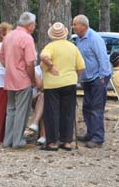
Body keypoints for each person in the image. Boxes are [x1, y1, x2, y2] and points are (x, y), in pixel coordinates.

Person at [40, 22, 85, 151]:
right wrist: (75, 77)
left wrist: (50, 65)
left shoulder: (50, 46)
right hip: (70, 82)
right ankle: (66, 141)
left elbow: (44, 57)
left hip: (52, 84)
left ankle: (52, 142)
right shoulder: (72, 47)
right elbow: (81, 66)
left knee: (52, 112)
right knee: (68, 112)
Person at [0, 12, 37, 149]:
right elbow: (30, 63)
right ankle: (18, 140)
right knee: (22, 110)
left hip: (9, 79)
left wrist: (10, 67)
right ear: (30, 25)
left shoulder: (8, 36)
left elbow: (1, 57)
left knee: (11, 109)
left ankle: (7, 140)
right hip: (23, 79)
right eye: (34, 25)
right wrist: (32, 80)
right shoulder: (27, 38)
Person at [72, 14, 112, 148]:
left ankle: (98, 138)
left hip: (97, 78)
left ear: (84, 26)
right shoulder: (78, 39)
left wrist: (102, 77)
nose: (73, 27)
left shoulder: (95, 38)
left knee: (96, 108)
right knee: (87, 107)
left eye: (75, 24)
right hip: (87, 78)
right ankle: (90, 133)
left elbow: (103, 58)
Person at [26, 65, 46, 146]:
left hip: (47, 99)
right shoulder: (35, 70)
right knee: (43, 98)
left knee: (43, 98)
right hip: (33, 98)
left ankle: (35, 124)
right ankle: (43, 135)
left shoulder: (53, 70)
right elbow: (40, 85)